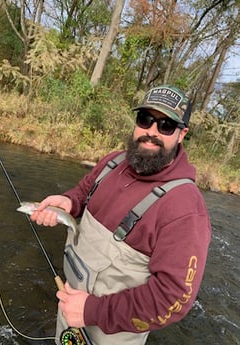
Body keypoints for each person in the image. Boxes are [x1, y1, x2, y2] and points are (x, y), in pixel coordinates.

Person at [31, 84, 211, 345]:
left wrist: (92, 311)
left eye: (166, 126)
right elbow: (84, 191)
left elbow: (172, 299)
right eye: (145, 119)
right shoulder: (113, 161)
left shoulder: (186, 209)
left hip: (113, 334)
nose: (151, 132)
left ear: (181, 134)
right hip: (70, 305)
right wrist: (68, 202)